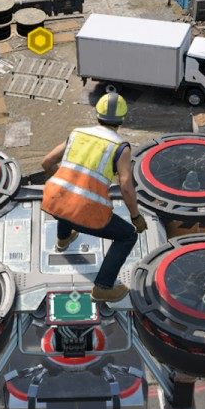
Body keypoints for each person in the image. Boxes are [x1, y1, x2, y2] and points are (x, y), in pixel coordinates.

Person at [38, 91, 148, 303]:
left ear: (97, 114)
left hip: (54, 201)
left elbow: (46, 162)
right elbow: (126, 187)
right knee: (127, 236)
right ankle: (103, 287)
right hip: (86, 214)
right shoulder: (120, 147)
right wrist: (135, 217)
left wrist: (63, 183)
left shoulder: (77, 133)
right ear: (122, 119)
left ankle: (63, 240)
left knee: (68, 202)